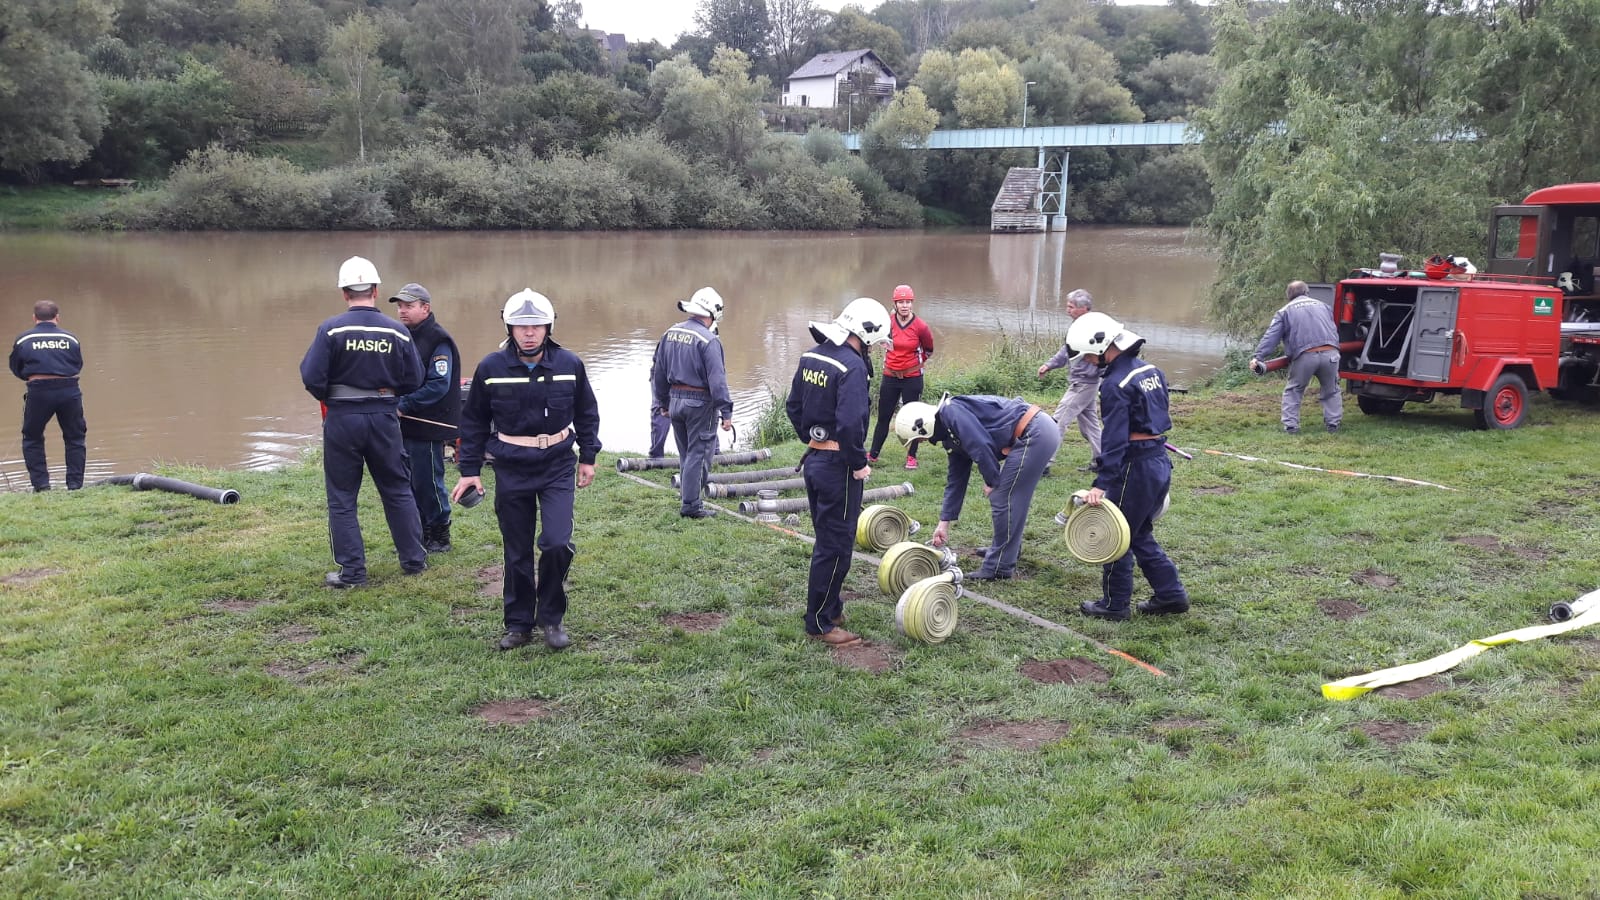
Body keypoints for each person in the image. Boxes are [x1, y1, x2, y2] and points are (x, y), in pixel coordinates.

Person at [453, 290, 600, 652]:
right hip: (511, 468)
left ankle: (551, 618)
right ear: (510, 328)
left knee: (556, 542)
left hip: (557, 466)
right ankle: (518, 623)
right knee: (517, 549)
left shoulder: (569, 364)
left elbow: (586, 412)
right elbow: (473, 422)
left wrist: (588, 456)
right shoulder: (491, 368)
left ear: (549, 327)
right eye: (521, 326)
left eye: (536, 326)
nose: (529, 333)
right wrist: (469, 470)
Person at [299, 256, 428, 588]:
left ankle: (353, 572)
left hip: (342, 419)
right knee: (397, 489)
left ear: (344, 293)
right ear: (376, 290)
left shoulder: (331, 329)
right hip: (384, 418)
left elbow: (311, 377)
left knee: (342, 496)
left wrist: (333, 396)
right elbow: (415, 378)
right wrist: (388, 393)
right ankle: (414, 561)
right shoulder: (397, 331)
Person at [1065, 311, 1190, 621]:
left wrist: (1102, 482)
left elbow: (1115, 438)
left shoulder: (1114, 385)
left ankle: (1114, 604)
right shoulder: (1151, 370)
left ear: (1102, 346)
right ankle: (1171, 595)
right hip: (1157, 460)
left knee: (1116, 534)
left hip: (1135, 466)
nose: (1087, 362)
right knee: (1138, 532)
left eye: (1088, 355)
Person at [786, 296, 890, 645]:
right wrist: (858, 463)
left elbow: (793, 406)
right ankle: (820, 623)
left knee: (826, 538)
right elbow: (850, 423)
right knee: (836, 546)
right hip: (838, 468)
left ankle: (831, 606)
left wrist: (813, 437)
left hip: (815, 461)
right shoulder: (853, 367)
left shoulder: (811, 356)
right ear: (867, 333)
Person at [894, 392, 1060, 581]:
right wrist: (943, 523)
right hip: (1035, 431)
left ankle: (999, 566)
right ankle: (1007, 551)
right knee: (1010, 497)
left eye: (918, 439)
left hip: (1035, 432)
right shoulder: (949, 432)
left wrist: (992, 481)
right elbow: (956, 479)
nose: (922, 443)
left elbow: (980, 444)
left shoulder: (952, 413)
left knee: (1002, 497)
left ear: (923, 426)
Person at [650, 287, 732, 518]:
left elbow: (658, 372)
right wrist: (726, 411)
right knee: (700, 454)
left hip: (675, 401)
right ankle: (691, 506)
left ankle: (687, 497)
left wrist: (663, 403)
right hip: (700, 404)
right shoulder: (709, 340)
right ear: (713, 313)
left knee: (686, 453)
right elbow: (717, 380)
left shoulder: (670, 333)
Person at [390, 283, 460, 554]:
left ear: (425, 308)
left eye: (408, 306)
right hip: (404, 424)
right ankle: (417, 532)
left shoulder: (438, 339)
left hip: (429, 423)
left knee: (428, 481)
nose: (402, 311)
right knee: (407, 481)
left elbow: (438, 384)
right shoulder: (401, 335)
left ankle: (440, 533)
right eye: (399, 306)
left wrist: (404, 404)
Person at [9, 300, 86, 492]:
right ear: (57, 317)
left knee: (32, 437)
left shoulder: (24, 339)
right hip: (69, 390)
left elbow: (16, 367)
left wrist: (33, 377)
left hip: (39, 391)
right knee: (75, 437)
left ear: (34, 317)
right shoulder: (71, 338)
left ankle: (41, 485)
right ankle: (75, 485)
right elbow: (77, 364)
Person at [1250, 281, 1343, 434]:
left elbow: (1271, 337)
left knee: (1294, 390)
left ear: (1288, 296)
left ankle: (1291, 427)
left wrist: (1258, 357)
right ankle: (1334, 425)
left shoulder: (1284, 311)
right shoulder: (1324, 306)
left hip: (1305, 356)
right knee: (1331, 390)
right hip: (1331, 354)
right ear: (1307, 292)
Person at [867, 284, 935, 470]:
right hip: (890, 376)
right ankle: (873, 454)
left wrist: (913, 365)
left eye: (908, 302)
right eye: (901, 302)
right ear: (895, 304)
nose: (904, 305)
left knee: (914, 418)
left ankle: (911, 456)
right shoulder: (887, 322)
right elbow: (875, 338)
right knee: (884, 417)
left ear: (912, 303)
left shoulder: (921, 327)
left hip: (912, 377)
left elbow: (929, 349)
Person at [1036, 288, 1103, 471]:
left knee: (1058, 421)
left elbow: (1104, 355)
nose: (1067, 310)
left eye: (1071, 307)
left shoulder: (1094, 328)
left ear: (1084, 308)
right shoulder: (1077, 325)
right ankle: (1102, 461)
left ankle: (1045, 463)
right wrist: (1049, 365)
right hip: (1084, 383)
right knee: (1089, 425)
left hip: (1084, 383)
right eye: (1067, 306)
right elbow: (1067, 349)